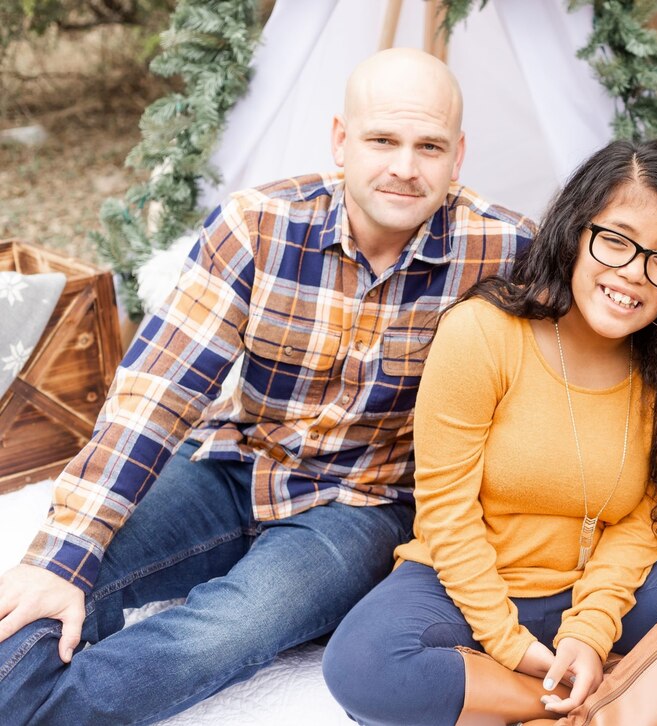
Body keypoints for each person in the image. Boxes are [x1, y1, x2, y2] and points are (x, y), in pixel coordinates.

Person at [0, 48, 535, 724]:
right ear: (342, 140)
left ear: (458, 157)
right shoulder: (258, 225)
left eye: (428, 146)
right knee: (57, 580)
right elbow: (156, 393)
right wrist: (67, 550)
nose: (405, 166)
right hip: (235, 461)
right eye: (382, 140)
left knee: (228, 630)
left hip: (365, 504)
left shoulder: (507, 252)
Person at [321, 139, 657, 726]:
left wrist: (592, 632)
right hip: (465, 586)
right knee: (364, 665)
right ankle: (609, 703)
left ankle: (606, 709)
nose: (632, 274)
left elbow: (648, 520)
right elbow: (445, 511)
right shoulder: (483, 333)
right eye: (616, 241)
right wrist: (511, 646)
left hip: (598, 590)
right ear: (576, 231)